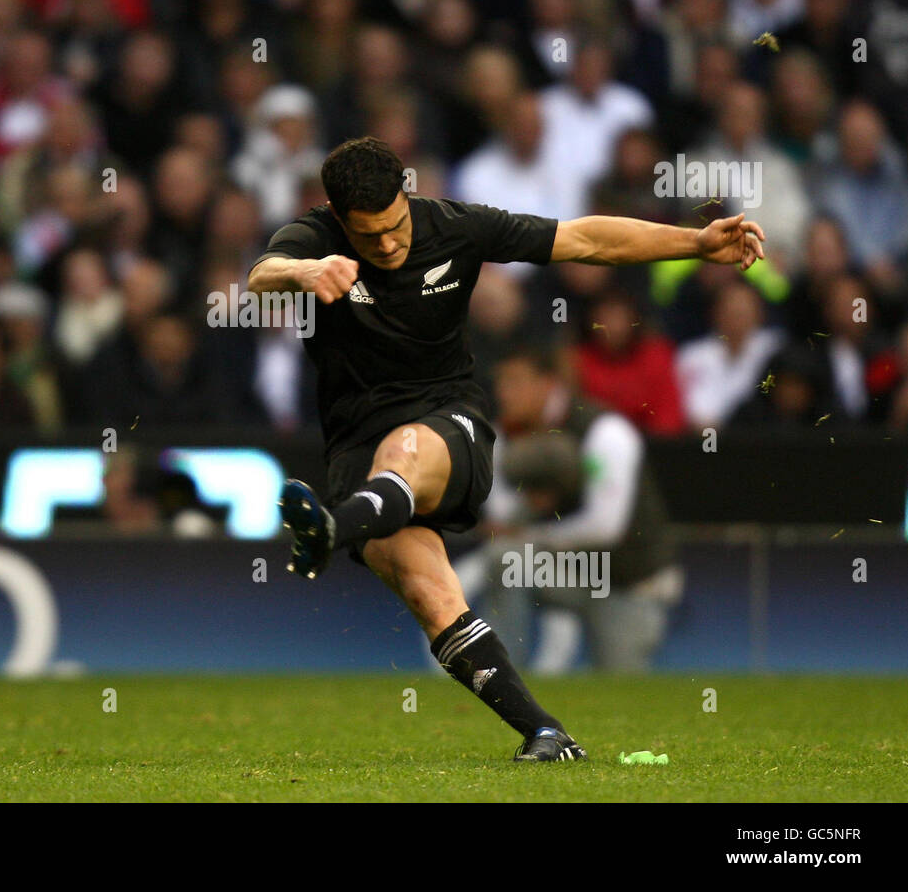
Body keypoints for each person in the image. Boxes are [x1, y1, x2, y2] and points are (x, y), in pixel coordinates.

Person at [248, 136, 765, 761]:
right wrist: (302, 271)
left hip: (447, 422)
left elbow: (584, 240)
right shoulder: (311, 239)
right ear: (335, 216)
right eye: (367, 236)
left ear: (408, 196)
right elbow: (259, 277)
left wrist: (695, 242)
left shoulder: (457, 227)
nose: (386, 245)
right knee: (428, 590)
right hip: (353, 448)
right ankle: (547, 733)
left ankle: (331, 528)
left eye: (394, 226)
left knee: (406, 450)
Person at [479, 347, 681, 672]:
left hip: (626, 579)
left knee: (620, 691)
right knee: (502, 558)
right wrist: (530, 500)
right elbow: (499, 518)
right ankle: (500, 681)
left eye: (514, 382)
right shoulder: (504, 435)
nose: (503, 394)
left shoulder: (605, 430)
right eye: (500, 383)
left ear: (547, 384)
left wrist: (534, 532)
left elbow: (605, 527)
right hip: (570, 569)